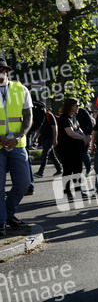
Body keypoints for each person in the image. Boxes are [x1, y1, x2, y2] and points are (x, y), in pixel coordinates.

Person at [0, 58, 33, 235]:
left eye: (1, 70)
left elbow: (28, 117)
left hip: (17, 144)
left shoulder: (20, 89)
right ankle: (1, 220)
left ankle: (7, 214)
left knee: (24, 183)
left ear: (7, 71)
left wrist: (20, 136)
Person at [55, 98, 90, 196]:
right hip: (66, 149)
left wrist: (85, 137)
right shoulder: (64, 118)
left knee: (78, 170)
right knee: (68, 170)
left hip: (76, 149)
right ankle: (67, 191)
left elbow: (78, 129)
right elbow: (70, 132)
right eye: (77, 105)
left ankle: (78, 191)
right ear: (70, 106)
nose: (78, 107)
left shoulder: (74, 116)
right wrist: (82, 138)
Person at [34, 101, 62, 177]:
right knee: (52, 155)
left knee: (44, 154)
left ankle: (40, 172)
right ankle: (59, 169)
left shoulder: (49, 115)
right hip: (44, 138)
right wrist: (36, 138)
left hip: (50, 138)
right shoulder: (41, 116)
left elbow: (55, 127)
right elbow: (40, 128)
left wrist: (55, 139)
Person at [76, 105, 95, 174]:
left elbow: (89, 123)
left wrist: (89, 134)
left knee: (84, 152)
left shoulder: (82, 111)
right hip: (75, 136)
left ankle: (88, 167)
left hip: (85, 134)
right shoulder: (69, 113)